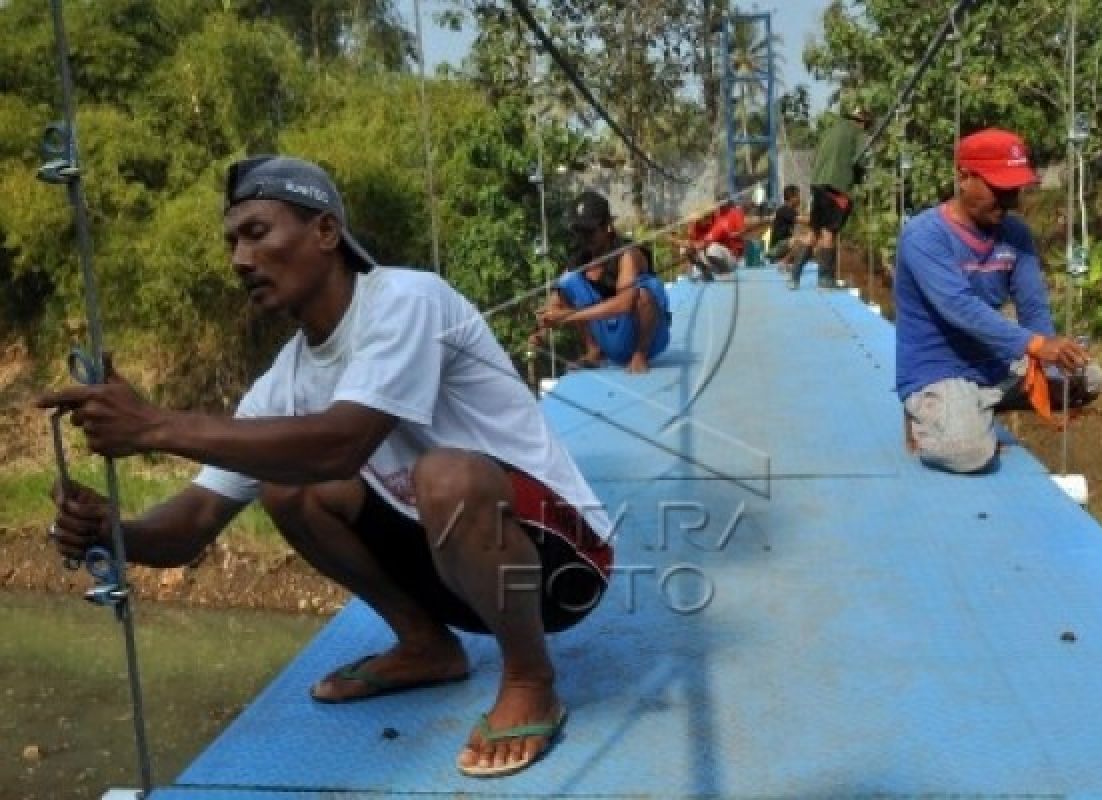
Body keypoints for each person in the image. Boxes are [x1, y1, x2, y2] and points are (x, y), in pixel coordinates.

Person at [38, 156, 614, 778]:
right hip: (459, 576)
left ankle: (530, 677)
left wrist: (153, 425)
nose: (238, 259)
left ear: (325, 232)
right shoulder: (282, 382)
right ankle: (426, 645)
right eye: (231, 241)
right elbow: (196, 521)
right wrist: (114, 531)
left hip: (563, 563)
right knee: (289, 492)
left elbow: (343, 443)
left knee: (444, 475)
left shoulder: (406, 299)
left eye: (257, 232)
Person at [894, 128, 1102, 473]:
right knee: (968, 453)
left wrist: (1052, 361)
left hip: (993, 365)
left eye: (1015, 190)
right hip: (938, 370)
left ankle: (973, 406)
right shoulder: (923, 236)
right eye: (1000, 190)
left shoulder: (1015, 233)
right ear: (964, 177)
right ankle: (937, 412)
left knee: (1088, 379)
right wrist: (1036, 345)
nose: (1011, 201)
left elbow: (1033, 306)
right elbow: (960, 307)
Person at [532, 190, 670, 374]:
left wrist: (567, 316)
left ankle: (640, 354)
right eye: (578, 231)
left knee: (642, 294)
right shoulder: (580, 260)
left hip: (650, 339)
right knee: (567, 282)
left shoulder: (628, 254)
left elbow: (625, 303)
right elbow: (556, 299)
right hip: (613, 340)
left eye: (589, 231)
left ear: (607, 226)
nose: (584, 238)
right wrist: (542, 327)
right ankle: (594, 351)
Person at [802, 106, 870, 288]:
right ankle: (826, 278)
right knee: (829, 232)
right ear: (863, 122)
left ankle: (795, 274)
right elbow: (861, 160)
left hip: (817, 184)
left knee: (814, 231)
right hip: (837, 186)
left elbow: (815, 158)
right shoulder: (858, 133)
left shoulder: (831, 130)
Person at [679, 194, 745, 281]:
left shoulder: (720, 222)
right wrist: (690, 275)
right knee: (684, 249)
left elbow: (701, 245)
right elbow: (691, 246)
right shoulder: (695, 226)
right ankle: (706, 272)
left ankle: (725, 273)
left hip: (730, 257)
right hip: (711, 253)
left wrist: (732, 234)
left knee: (712, 249)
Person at [766, 184, 809, 287]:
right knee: (800, 241)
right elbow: (804, 220)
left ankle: (787, 261)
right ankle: (784, 262)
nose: (799, 199)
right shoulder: (785, 210)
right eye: (798, 196)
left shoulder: (790, 210)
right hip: (776, 248)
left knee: (806, 241)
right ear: (792, 198)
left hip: (784, 246)